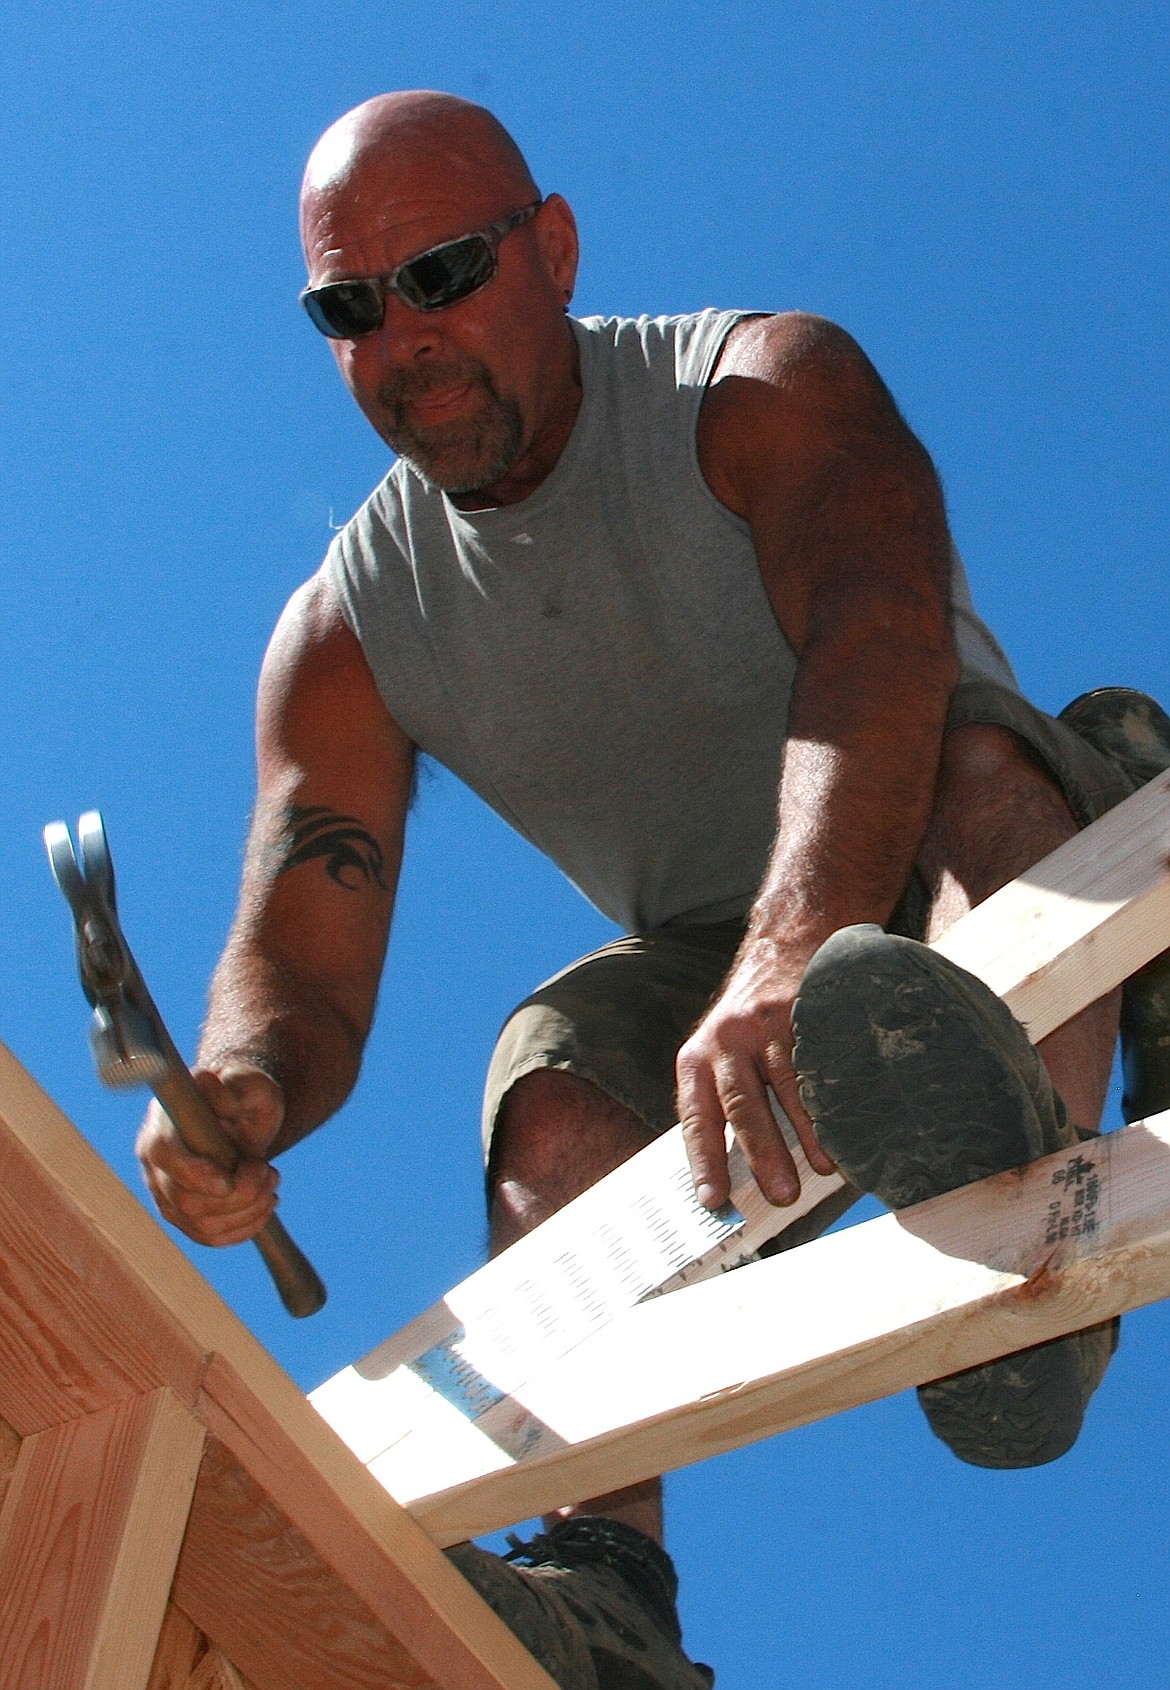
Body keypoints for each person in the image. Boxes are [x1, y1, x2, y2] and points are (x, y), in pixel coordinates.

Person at [136, 91, 1170, 1689]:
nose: (404, 337)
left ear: (551, 249)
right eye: (351, 308)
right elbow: (303, 937)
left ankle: (1036, 1216)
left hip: (919, 843)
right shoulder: (349, 630)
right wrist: (240, 1091)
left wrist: (797, 943)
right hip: (725, 949)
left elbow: (875, 641)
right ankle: (604, 1584)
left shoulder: (752, 388)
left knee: (983, 769)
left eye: (444, 274)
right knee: (550, 1079)